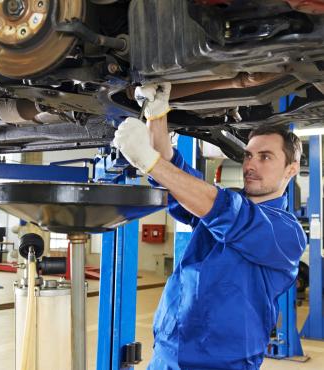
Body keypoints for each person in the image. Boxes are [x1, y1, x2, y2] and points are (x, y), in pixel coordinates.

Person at [113, 83, 306, 370]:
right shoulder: (216, 202)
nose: (251, 164)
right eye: (249, 155)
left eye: (265, 157)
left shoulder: (286, 233)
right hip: (168, 353)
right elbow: (178, 178)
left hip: (222, 364)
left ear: (291, 169)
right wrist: (157, 115)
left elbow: (224, 212)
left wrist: (149, 161)